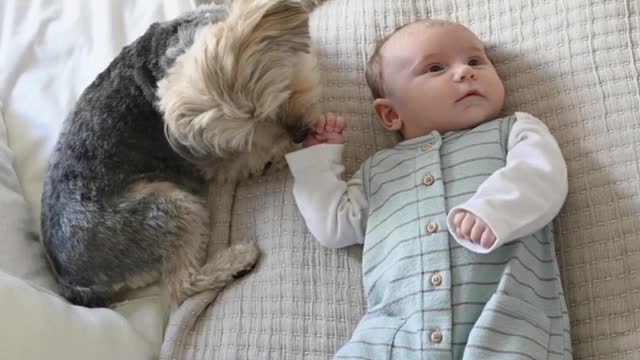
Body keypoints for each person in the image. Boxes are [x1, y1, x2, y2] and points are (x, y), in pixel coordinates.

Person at [286, 19, 571, 359]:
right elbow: (334, 226)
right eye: (435, 68)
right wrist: (317, 158)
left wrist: (493, 210)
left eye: (476, 61)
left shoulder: (513, 131)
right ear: (391, 114)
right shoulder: (378, 171)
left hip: (502, 322)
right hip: (394, 333)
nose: (465, 72)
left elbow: (541, 175)